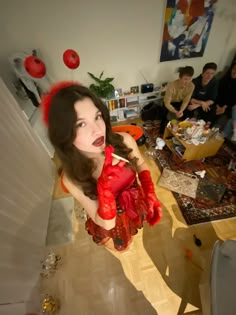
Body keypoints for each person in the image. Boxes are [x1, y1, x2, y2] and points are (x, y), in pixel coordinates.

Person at [41, 81, 162, 251]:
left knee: (134, 228)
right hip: (111, 220)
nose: (98, 130)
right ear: (64, 135)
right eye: (81, 124)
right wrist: (104, 191)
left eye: (97, 117)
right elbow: (106, 222)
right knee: (122, 245)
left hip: (134, 202)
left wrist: (149, 191)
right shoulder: (72, 178)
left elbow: (140, 162)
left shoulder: (124, 141)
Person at [214, 62, 236, 141]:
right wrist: (218, 106)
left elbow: (233, 101)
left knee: (227, 118)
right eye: (234, 69)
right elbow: (216, 94)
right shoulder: (223, 80)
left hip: (228, 107)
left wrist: (224, 107)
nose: (235, 71)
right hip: (217, 104)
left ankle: (225, 134)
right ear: (231, 69)